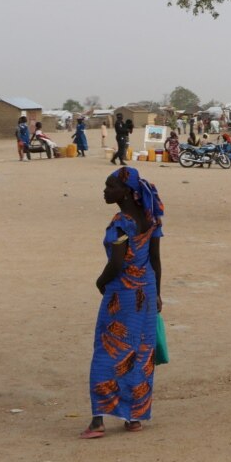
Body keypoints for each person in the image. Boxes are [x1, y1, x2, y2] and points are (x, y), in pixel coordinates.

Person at [82, 166, 164, 439]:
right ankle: (134, 417)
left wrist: (100, 282)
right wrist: (158, 293)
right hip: (147, 292)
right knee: (140, 353)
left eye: (110, 187)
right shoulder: (152, 219)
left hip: (123, 296)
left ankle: (97, 422)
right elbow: (155, 259)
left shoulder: (121, 223)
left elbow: (116, 263)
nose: (105, 191)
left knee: (107, 352)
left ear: (126, 193)